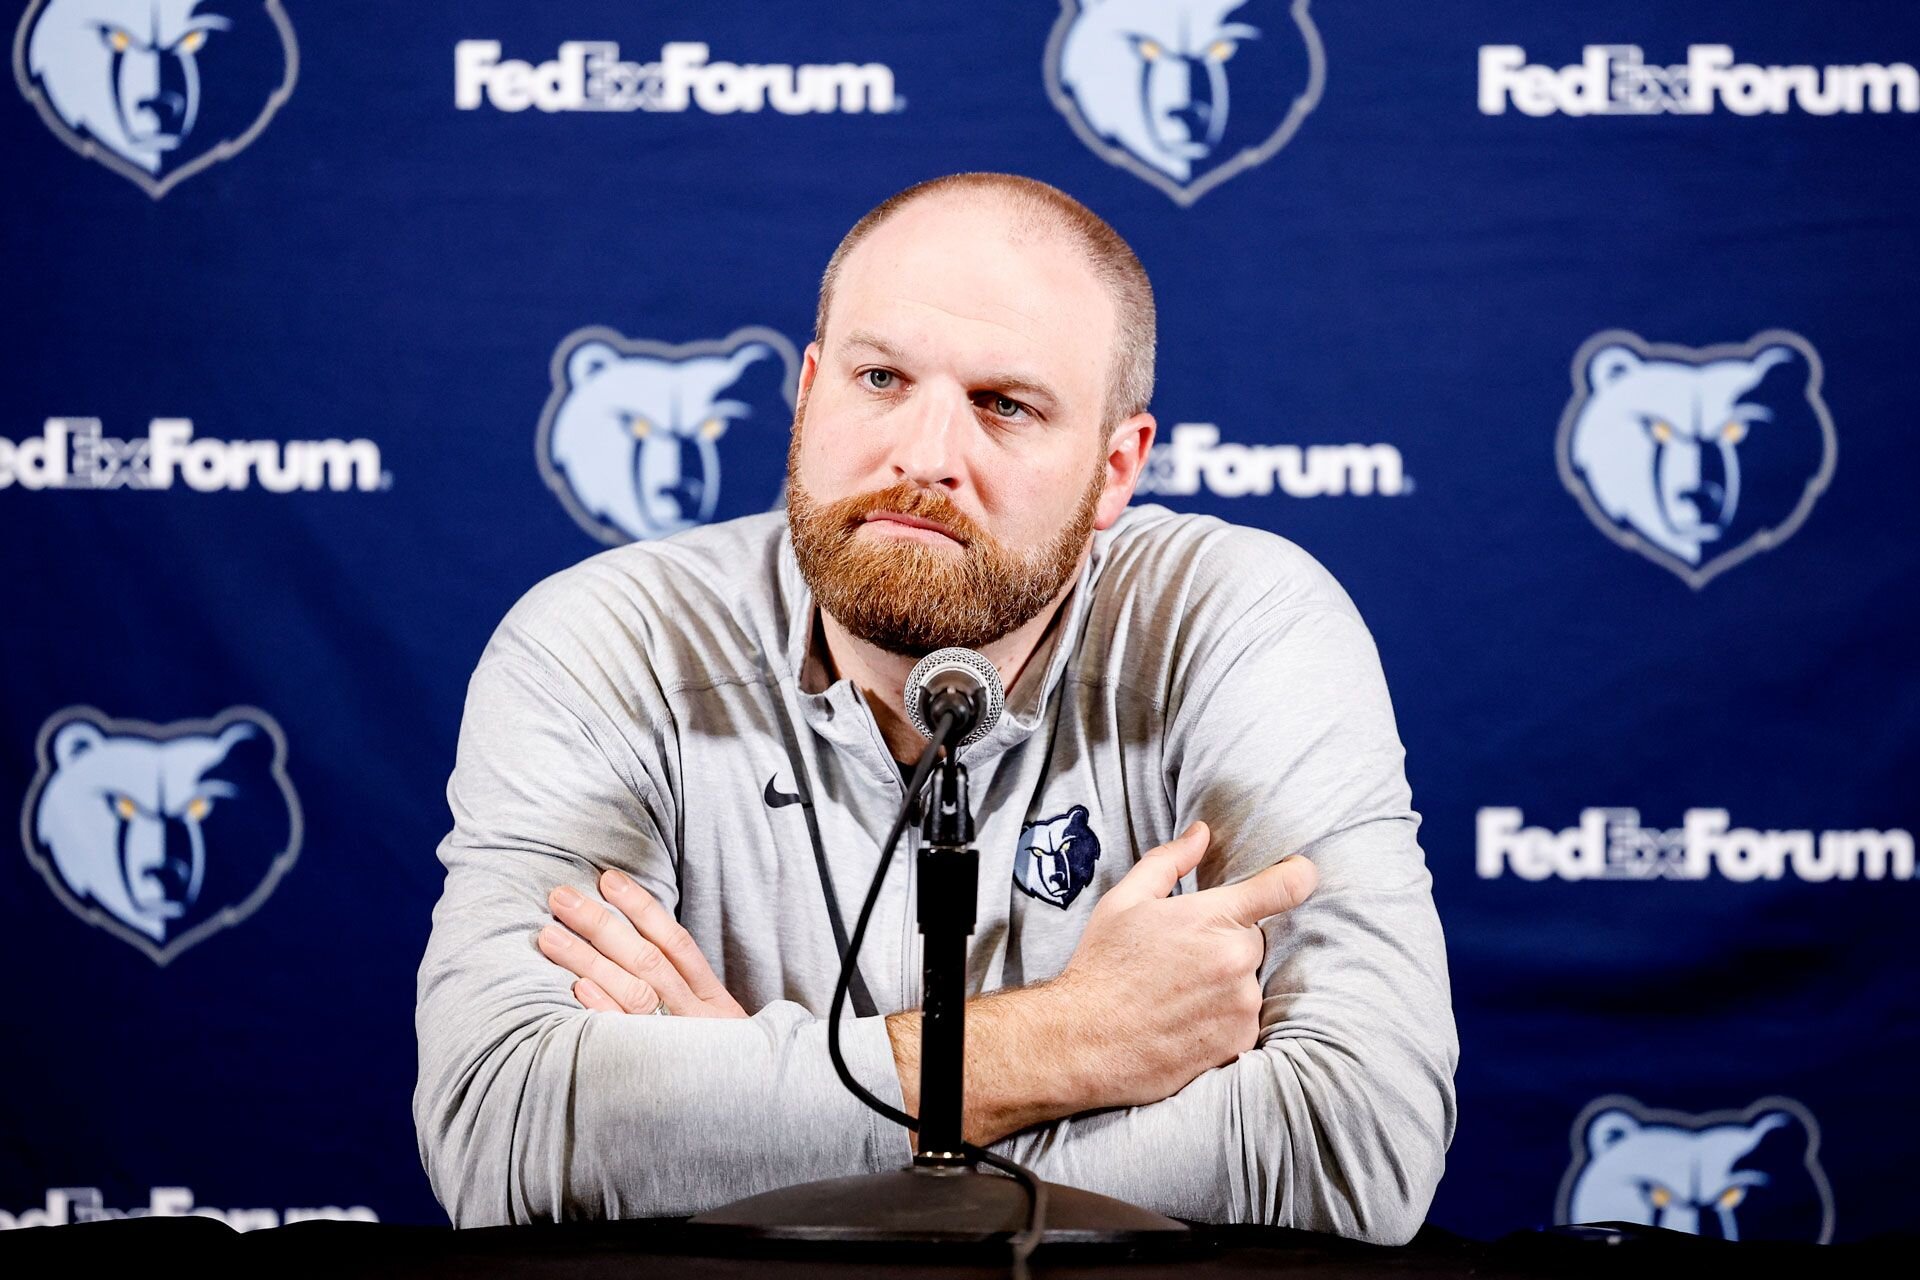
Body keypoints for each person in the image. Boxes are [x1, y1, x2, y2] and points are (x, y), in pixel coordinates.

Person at [413, 172, 1456, 1243]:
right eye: (878, 377)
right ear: (812, 389)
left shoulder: (1238, 623)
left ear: (1114, 470)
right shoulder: (607, 643)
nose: (924, 456)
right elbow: (502, 1135)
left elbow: (1354, 1144)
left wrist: (746, 1119)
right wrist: (1076, 1038)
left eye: (1004, 405)